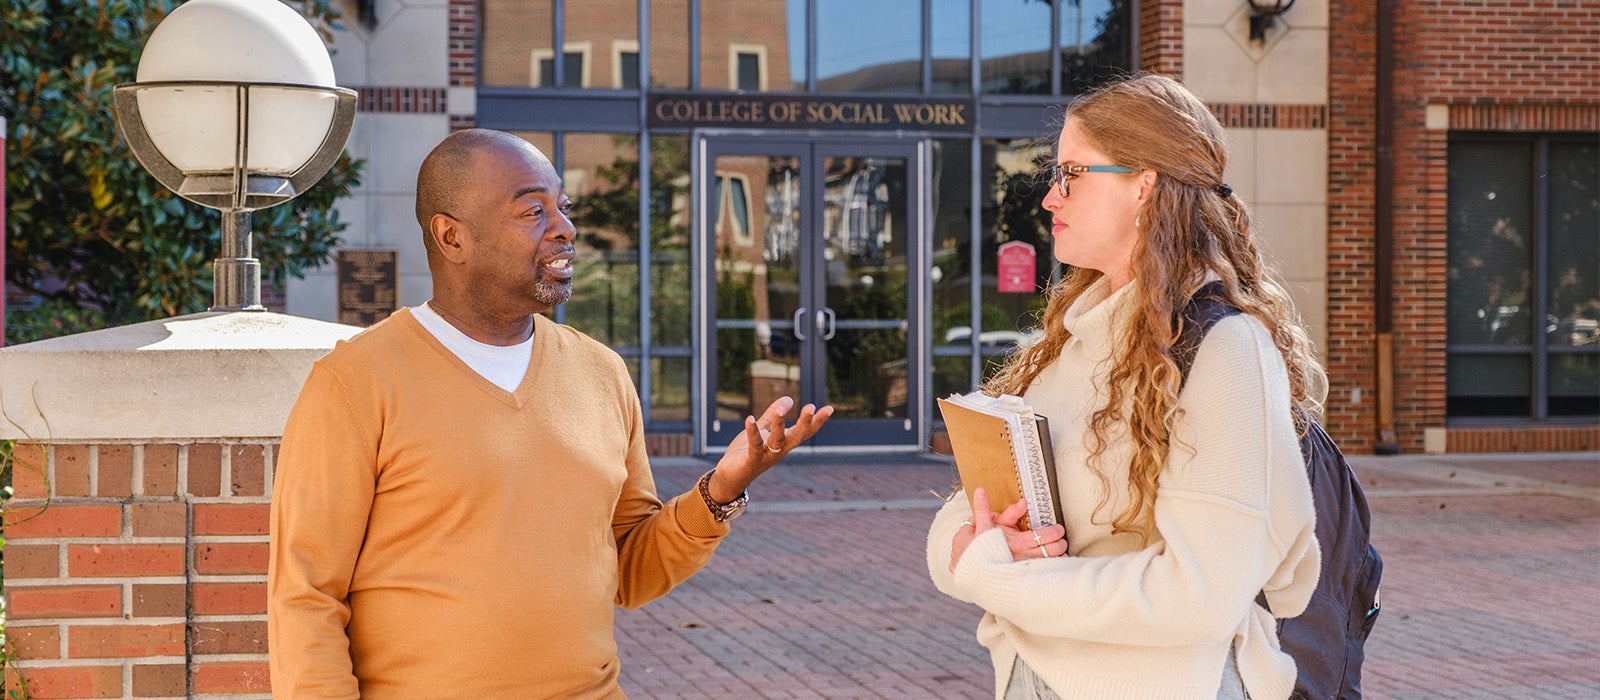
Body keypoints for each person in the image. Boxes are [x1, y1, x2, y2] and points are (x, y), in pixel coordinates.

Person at [268, 128, 833, 698]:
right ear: (451, 236)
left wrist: (718, 493)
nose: (564, 227)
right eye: (532, 210)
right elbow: (306, 597)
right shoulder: (354, 384)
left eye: (562, 207)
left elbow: (631, 569)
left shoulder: (602, 374)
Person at [925, 75, 1323, 700]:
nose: (1051, 199)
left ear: (1145, 184)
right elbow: (959, 517)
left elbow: (1199, 598)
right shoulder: (1062, 347)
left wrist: (997, 577)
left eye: (1072, 174)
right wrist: (977, 544)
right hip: (1031, 676)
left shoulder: (1226, 351)